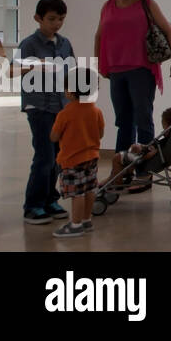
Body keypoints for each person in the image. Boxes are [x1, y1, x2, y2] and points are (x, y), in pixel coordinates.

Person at [93, 0, 171, 193]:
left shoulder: (146, 3)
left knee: (143, 120)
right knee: (123, 122)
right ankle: (122, 172)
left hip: (142, 69)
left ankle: (144, 174)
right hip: (116, 71)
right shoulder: (107, 6)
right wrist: (100, 64)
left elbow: (168, 31)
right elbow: (99, 36)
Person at [19, 0, 73, 225]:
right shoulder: (29, 44)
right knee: (44, 157)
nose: (57, 24)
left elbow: (71, 72)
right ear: (38, 18)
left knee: (59, 157)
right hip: (39, 107)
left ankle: (51, 199)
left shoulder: (64, 43)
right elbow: (15, 70)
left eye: (61, 19)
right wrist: (38, 66)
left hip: (62, 107)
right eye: (51, 19)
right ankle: (33, 205)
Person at [48, 64, 104, 238]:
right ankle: (87, 220)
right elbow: (100, 134)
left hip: (72, 160)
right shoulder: (96, 111)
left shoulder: (65, 114)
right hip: (92, 158)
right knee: (89, 189)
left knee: (76, 193)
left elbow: (54, 137)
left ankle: (76, 224)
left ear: (71, 92)